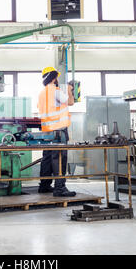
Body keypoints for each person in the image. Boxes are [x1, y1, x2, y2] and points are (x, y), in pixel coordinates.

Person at [37, 67, 76, 197]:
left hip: (47, 131)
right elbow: (70, 102)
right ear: (54, 78)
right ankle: (60, 188)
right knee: (59, 157)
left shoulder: (42, 93)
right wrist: (70, 90)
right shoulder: (55, 90)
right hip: (59, 130)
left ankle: (44, 186)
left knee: (47, 158)